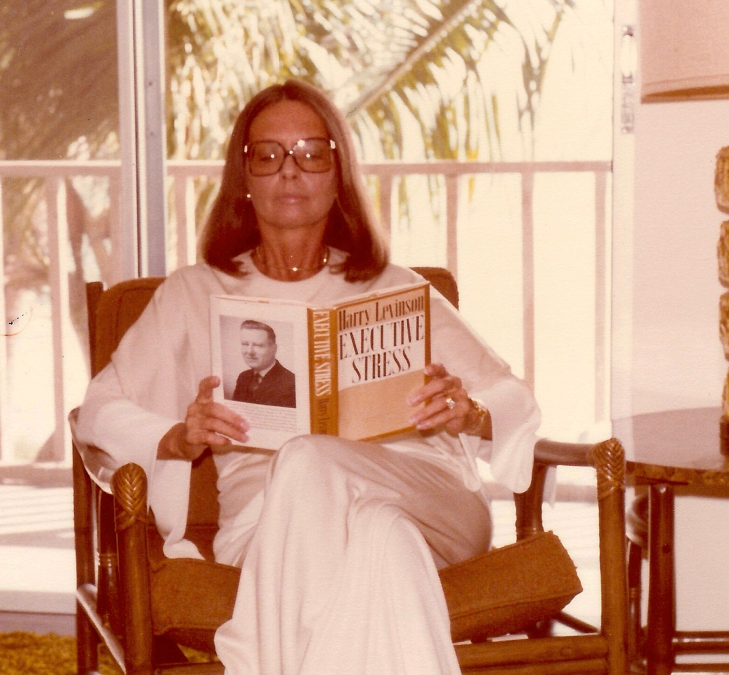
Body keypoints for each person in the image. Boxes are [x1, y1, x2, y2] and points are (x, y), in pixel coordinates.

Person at [76, 79, 540, 675]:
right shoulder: (196, 292)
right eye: (267, 156)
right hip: (268, 529)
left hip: (430, 500)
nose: (289, 172)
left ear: (337, 172)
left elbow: (513, 395)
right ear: (242, 176)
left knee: (310, 458)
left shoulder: (394, 287)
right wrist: (177, 436)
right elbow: (99, 409)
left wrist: (471, 411)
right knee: (381, 542)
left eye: (311, 153)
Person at [231, 320, 296, 407]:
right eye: (245, 344)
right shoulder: (243, 377)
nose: (249, 352)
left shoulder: (291, 383)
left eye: (258, 345)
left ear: (274, 349)